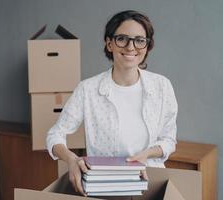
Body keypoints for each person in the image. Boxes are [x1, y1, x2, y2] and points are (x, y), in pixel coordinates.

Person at [46, 10, 178, 196]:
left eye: (140, 40)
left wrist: (146, 155)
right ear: (109, 44)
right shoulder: (88, 89)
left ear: (147, 46)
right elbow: (54, 135)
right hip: (103, 184)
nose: (131, 47)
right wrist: (71, 160)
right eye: (122, 39)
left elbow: (168, 140)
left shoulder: (162, 86)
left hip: (149, 180)